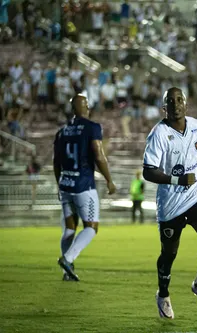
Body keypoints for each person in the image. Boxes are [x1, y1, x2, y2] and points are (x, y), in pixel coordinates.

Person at [143, 87, 197, 319]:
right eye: (170, 101)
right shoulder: (159, 134)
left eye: (179, 99)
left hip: (196, 196)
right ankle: (163, 295)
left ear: (186, 103)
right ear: (165, 108)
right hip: (170, 203)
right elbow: (148, 171)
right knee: (169, 254)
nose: (175, 104)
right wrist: (177, 179)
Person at [54, 94, 116, 281]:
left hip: (65, 184)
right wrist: (109, 180)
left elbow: (56, 162)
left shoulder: (62, 131)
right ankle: (67, 259)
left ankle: (67, 273)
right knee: (91, 227)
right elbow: (98, 155)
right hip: (83, 186)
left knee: (70, 229)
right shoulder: (92, 127)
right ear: (84, 108)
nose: (88, 108)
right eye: (87, 105)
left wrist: (59, 184)